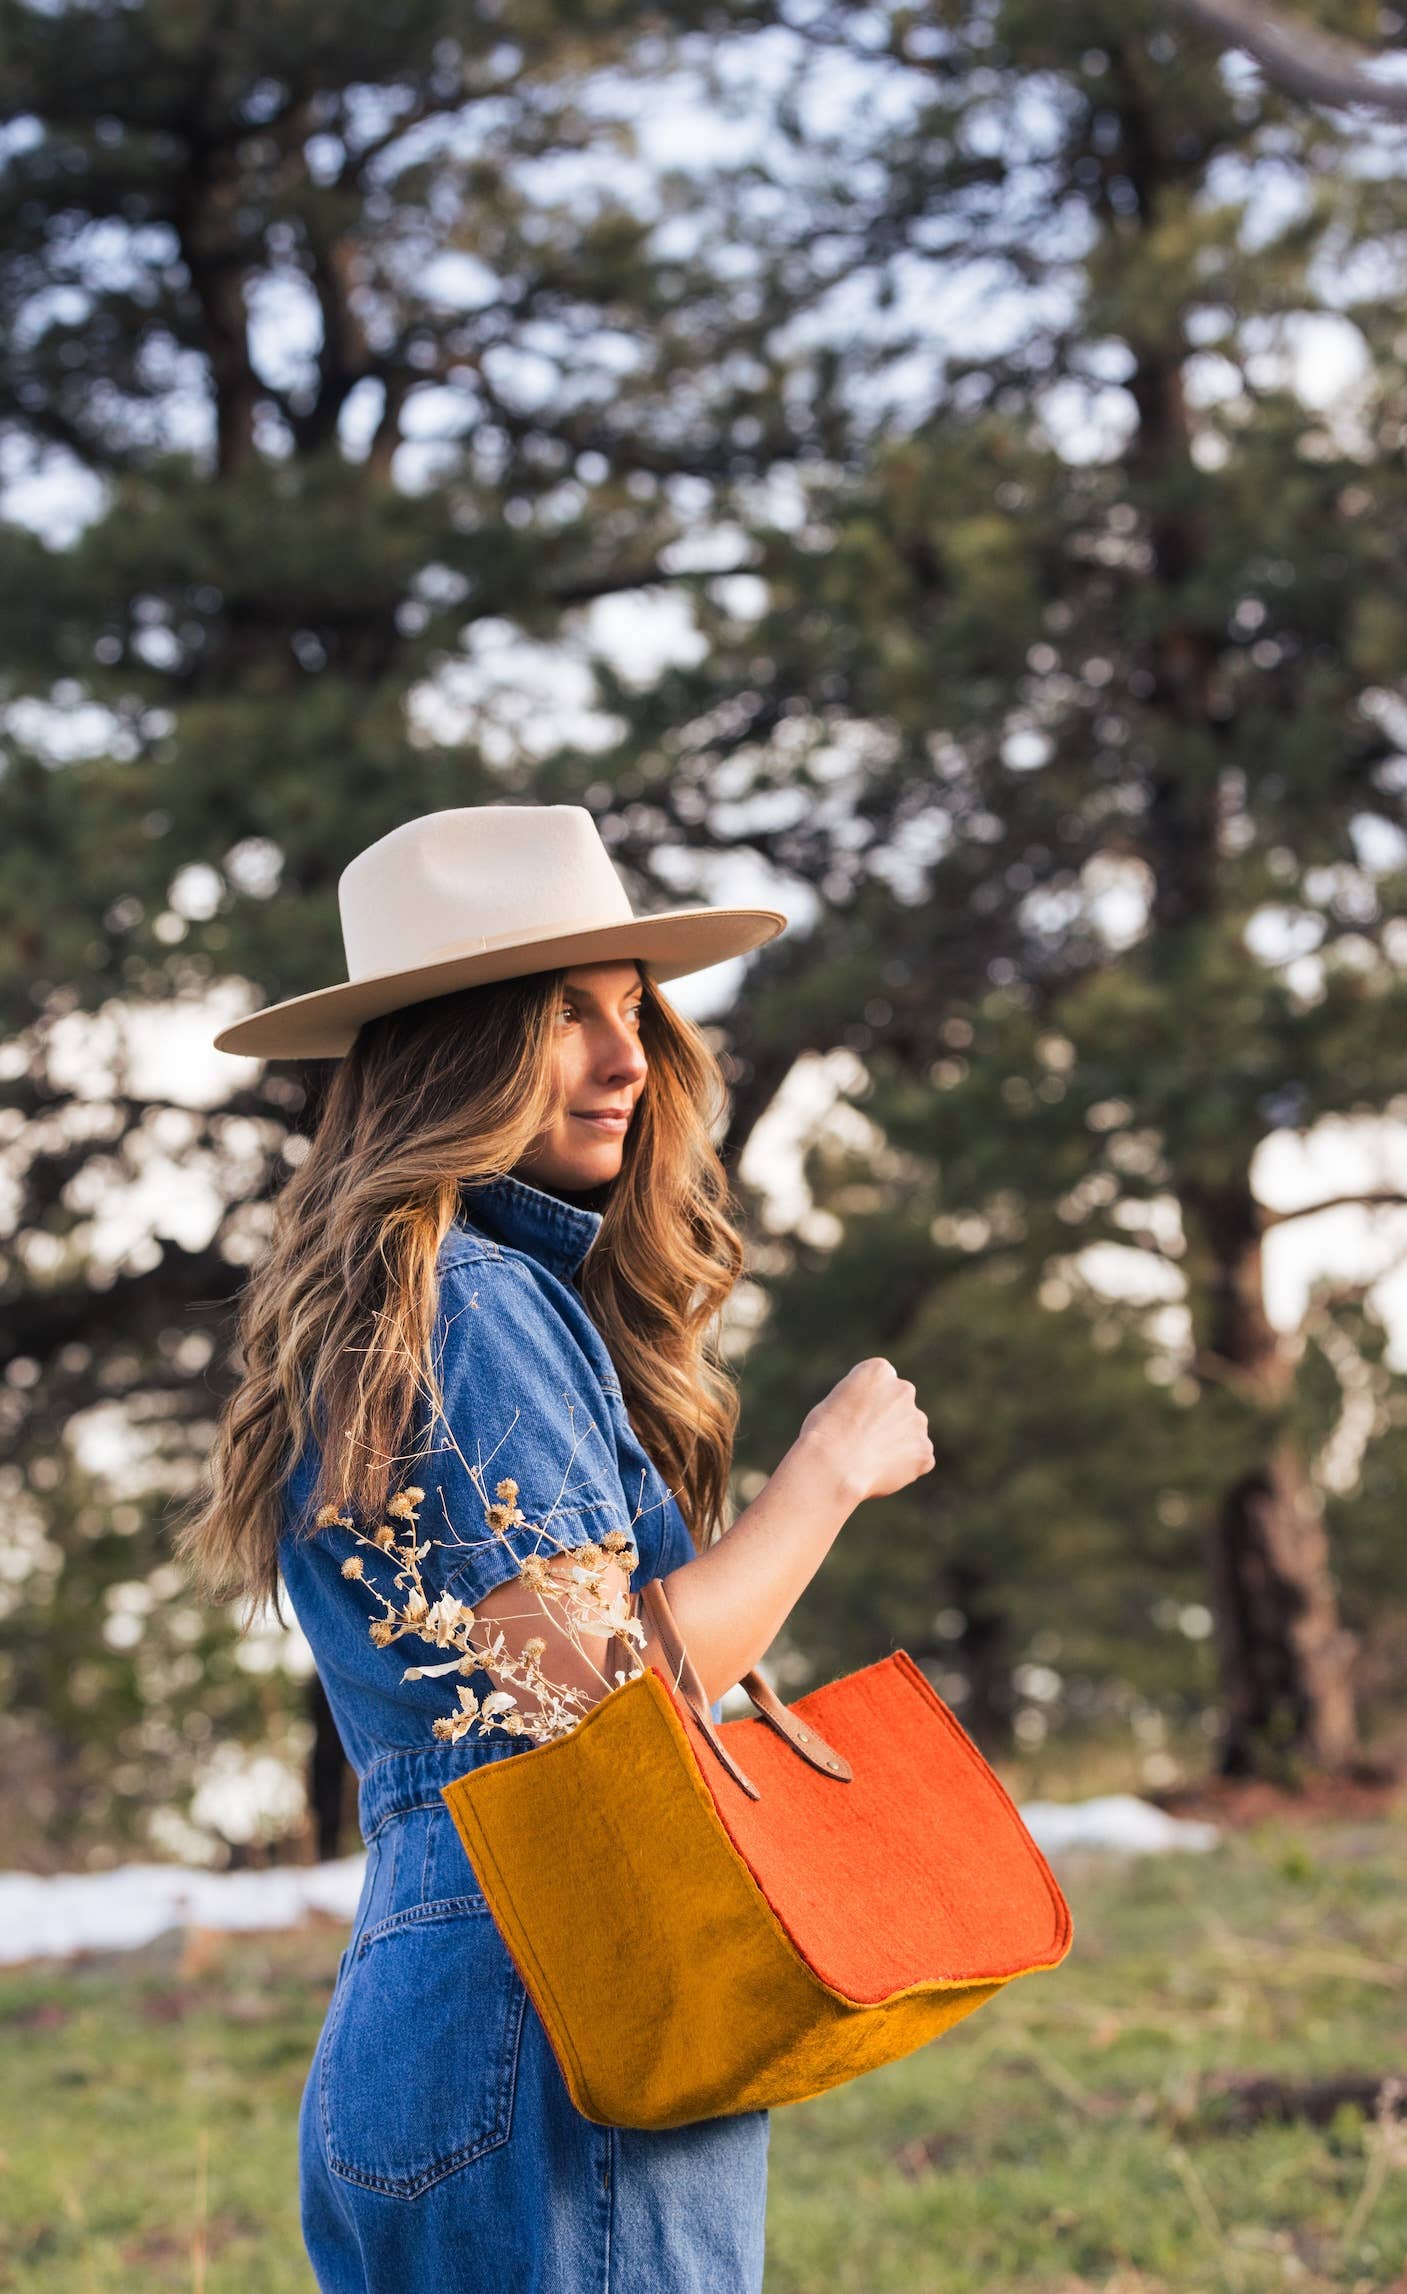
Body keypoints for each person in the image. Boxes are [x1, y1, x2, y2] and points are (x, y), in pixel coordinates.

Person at [178, 803, 935, 2294]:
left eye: (633, 1009)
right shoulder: (474, 1298)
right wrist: (825, 1479)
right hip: (563, 1990)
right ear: (458, 1050)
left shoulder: (406, 1307)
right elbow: (596, 1706)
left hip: (439, 1988)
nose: (626, 1057)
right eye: (562, 1016)